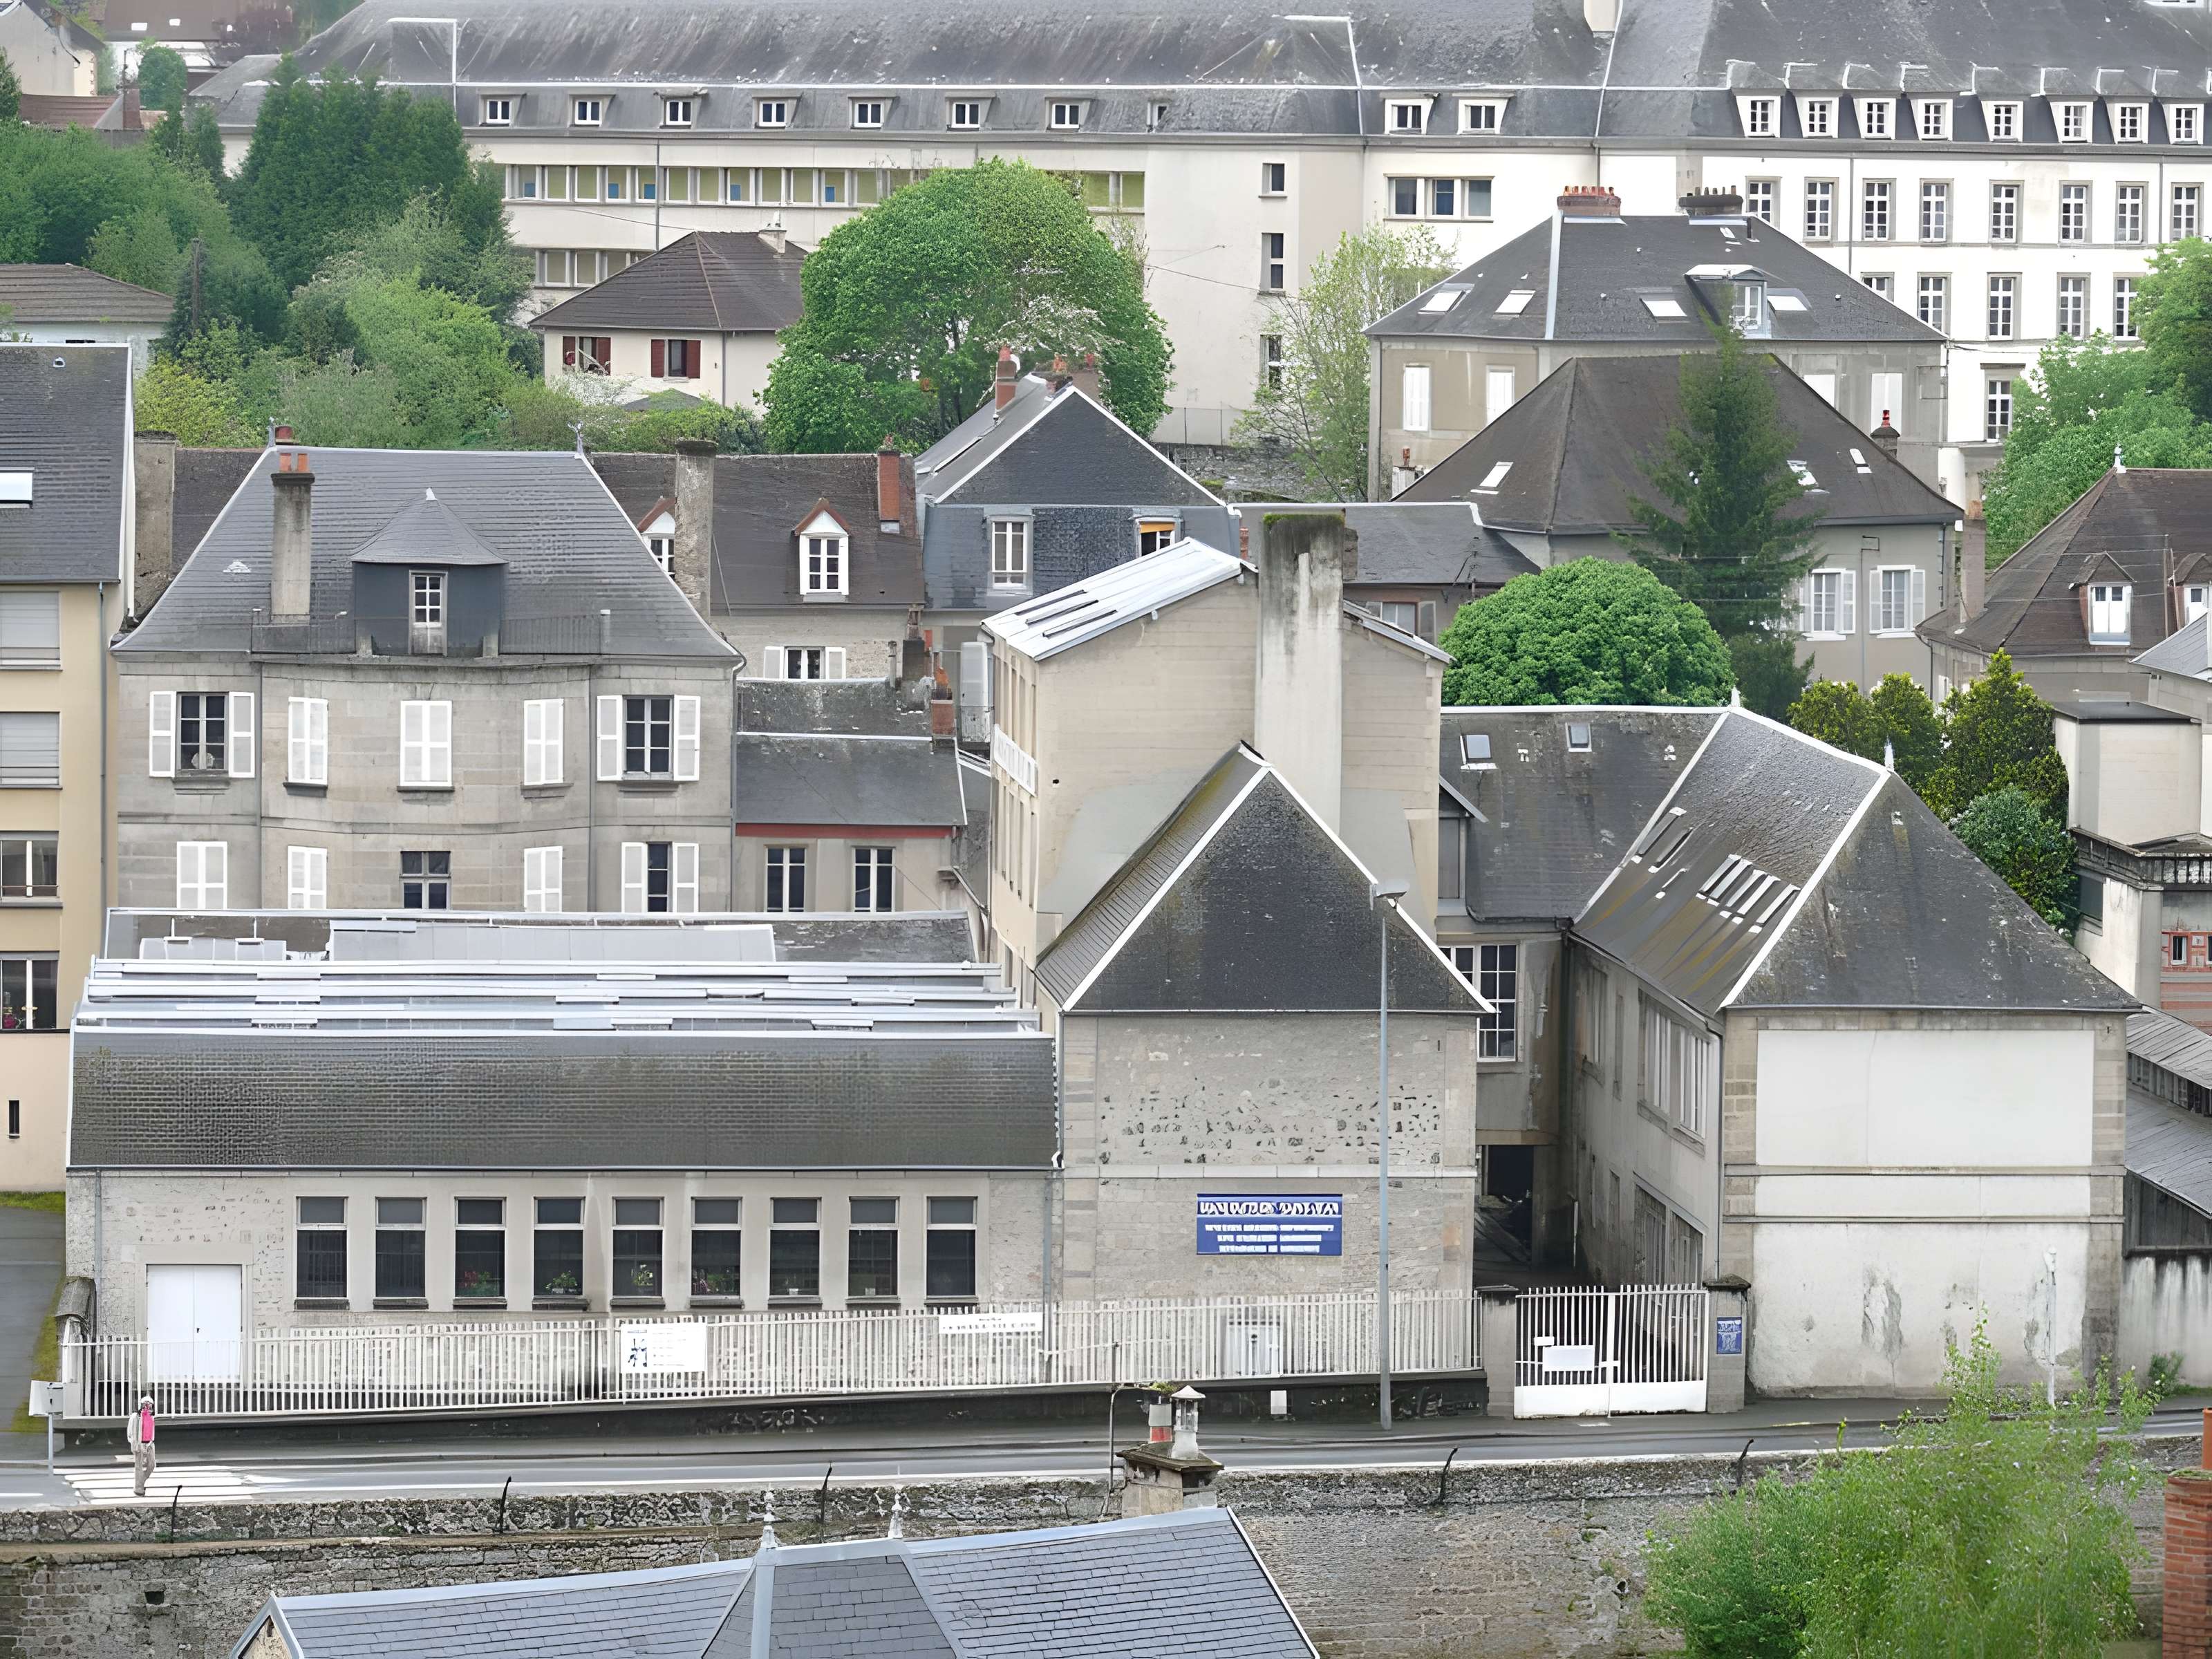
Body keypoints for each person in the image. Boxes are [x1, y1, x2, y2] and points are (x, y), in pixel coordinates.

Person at [126, 1394, 156, 1497]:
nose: (147, 1406)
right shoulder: (135, 1417)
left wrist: (152, 1442)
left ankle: (140, 1483)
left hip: (150, 1444)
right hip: (139, 1444)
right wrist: (133, 1443)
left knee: (152, 1465)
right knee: (138, 1467)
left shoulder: (152, 1417)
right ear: (141, 1405)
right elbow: (130, 1431)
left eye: (149, 1405)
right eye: (145, 1404)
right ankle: (139, 1489)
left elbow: (152, 1431)